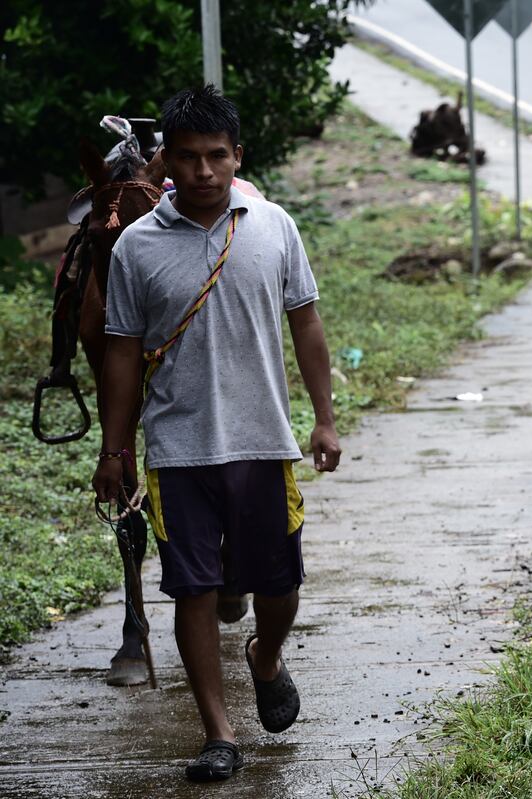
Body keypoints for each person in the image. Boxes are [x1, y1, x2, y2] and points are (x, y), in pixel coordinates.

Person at [92, 85, 341, 782]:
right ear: (167, 160)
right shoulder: (136, 247)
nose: (203, 171)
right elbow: (119, 351)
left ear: (238, 158)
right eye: (189, 157)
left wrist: (323, 417)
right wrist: (114, 451)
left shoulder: (273, 225)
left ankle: (265, 655)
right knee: (192, 588)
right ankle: (219, 732)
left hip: (265, 439)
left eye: (217, 156)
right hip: (179, 449)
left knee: (281, 582)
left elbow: (307, 323)